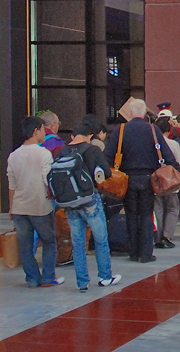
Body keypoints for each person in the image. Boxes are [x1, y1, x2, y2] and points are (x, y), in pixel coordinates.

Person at [103, 98, 180, 263]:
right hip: (148, 179)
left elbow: (108, 155)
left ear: (130, 113)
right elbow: (167, 154)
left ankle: (133, 252)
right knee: (146, 215)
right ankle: (146, 254)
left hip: (127, 179)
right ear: (145, 113)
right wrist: (177, 170)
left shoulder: (121, 129)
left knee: (131, 215)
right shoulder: (152, 129)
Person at [63, 122, 122, 291]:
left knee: (78, 242)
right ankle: (105, 277)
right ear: (90, 136)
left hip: (70, 201)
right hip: (90, 199)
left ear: (73, 136)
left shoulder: (62, 151)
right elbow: (107, 172)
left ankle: (82, 282)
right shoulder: (93, 150)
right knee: (101, 239)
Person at [8, 116, 62, 287]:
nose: (44, 132)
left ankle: (32, 278)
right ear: (35, 131)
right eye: (41, 129)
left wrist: (11, 208)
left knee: (25, 245)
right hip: (40, 206)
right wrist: (55, 196)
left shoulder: (13, 155)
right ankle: (47, 277)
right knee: (49, 240)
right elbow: (48, 180)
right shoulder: (43, 154)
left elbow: (12, 185)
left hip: (19, 207)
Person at [153, 116, 180, 249]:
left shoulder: (150, 143)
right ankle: (167, 236)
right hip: (170, 181)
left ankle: (157, 237)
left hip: (156, 181)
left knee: (158, 209)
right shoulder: (173, 144)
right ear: (168, 130)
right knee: (173, 208)